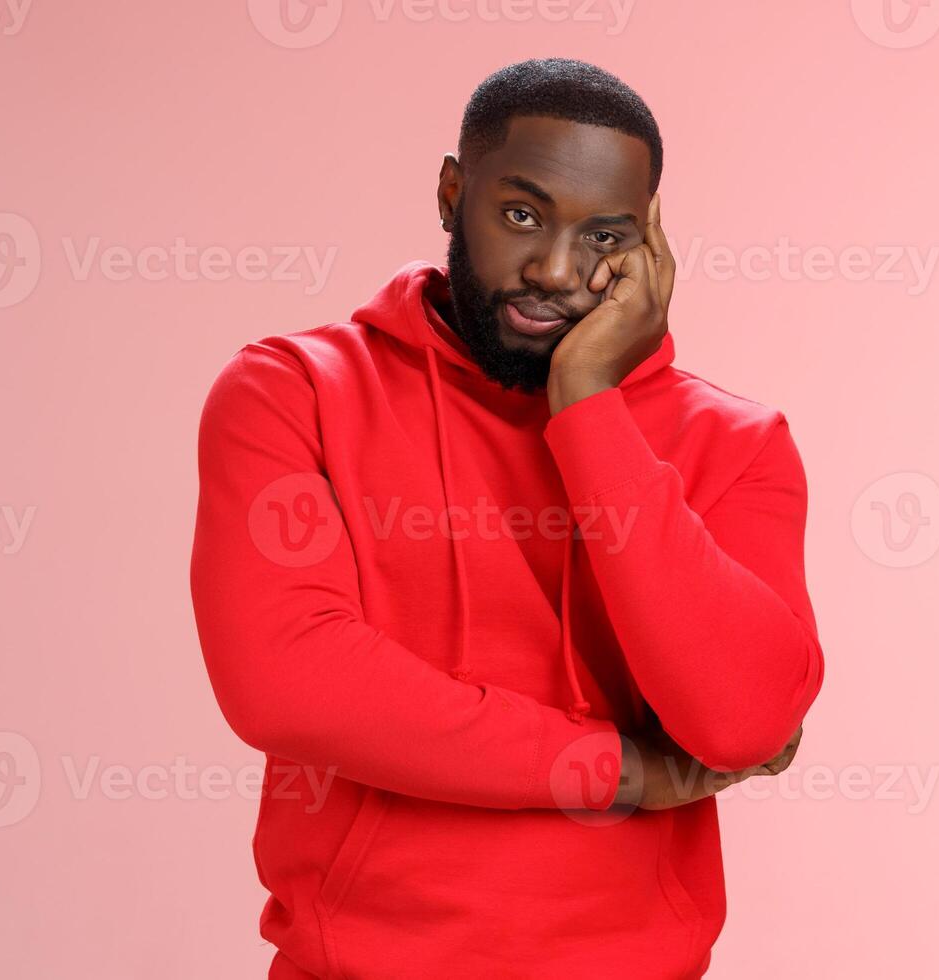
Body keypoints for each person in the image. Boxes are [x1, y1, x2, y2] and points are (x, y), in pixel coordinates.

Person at [190, 58, 824, 978]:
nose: (555, 271)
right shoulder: (292, 393)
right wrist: (621, 771)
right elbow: (286, 678)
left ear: (647, 246)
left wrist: (587, 408)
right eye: (521, 215)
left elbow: (745, 723)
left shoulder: (736, 444)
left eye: (603, 237)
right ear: (453, 193)